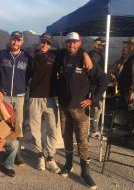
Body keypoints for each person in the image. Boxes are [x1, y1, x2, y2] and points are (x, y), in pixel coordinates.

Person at [28, 33, 93, 174]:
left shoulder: (56, 56)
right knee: (35, 130)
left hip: (51, 97)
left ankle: (50, 157)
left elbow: (74, 48)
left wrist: (85, 54)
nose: (45, 44)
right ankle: (40, 155)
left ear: (51, 45)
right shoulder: (31, 56)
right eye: (43, 42)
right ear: (40, 42)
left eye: (48, 43)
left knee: (53, 129)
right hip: (35, 97)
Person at [58, 32, 108, 189]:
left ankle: (85, 172)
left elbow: (104, 79)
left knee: (82, 141)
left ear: (79, 43)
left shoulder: (86, 60)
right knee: (66, 136)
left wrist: (93, 100)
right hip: (64, 107)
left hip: (80, 109)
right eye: (68, 42)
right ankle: (68, 164)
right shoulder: (62, 56)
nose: (71, 45)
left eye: (74, 42)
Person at [0, 31, 31, 166]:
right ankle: (6, 151)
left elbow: (29, 75)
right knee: (4, 124)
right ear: (10, 40)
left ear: (22, 42)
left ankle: (17, 154)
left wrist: (23, 86)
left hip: (19, 96)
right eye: (13, 40)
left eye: (18, 40)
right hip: (4, 95)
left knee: (18, 125)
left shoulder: (27, 57)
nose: (15, 42)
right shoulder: (2, 55)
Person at [88, 37, 106, 138]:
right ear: (96, 45)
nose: (103, 47)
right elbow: (93, 70)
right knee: (97, 107)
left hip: (95, 84)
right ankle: (94, 129)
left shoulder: (97, 54)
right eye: (101, 45)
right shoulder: (95, 55)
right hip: (95, 85)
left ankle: (93, 128)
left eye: (103, 46)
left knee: (96, 107)